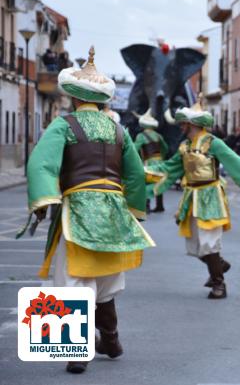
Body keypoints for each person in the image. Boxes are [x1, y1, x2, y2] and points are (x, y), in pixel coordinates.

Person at [22, 47, 155, 374]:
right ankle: (110, 340)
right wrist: (135, 211)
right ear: (102, 100)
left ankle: (77, 352)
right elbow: (136, 174)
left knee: (73, 278)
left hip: (78, 210)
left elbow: (42, 163)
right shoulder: (119, 130)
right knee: (106, 281)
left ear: (73, 98)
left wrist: (43, 201)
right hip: (113, 211)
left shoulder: (63, 125)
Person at [146, 97, 240, 299]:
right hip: (191, 198)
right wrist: (143, 172)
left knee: (209, 242)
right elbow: (169, 169)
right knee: (195, 245)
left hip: (211, 197)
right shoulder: (185, 146)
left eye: (183, 123)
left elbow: (236, 164)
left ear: (191, 124)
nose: (180, 126)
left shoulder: (213, 143)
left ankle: (219, 284)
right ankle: (220, 265)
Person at [134, 109, 169, 213]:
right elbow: (165, 148)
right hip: (160, 162)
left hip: (148, 163)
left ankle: (147, 206)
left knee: (146, 183)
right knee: (159, 182)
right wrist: (161, 157)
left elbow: (134, 149)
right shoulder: (158, 135)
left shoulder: (140, 136)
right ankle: (160, 205)